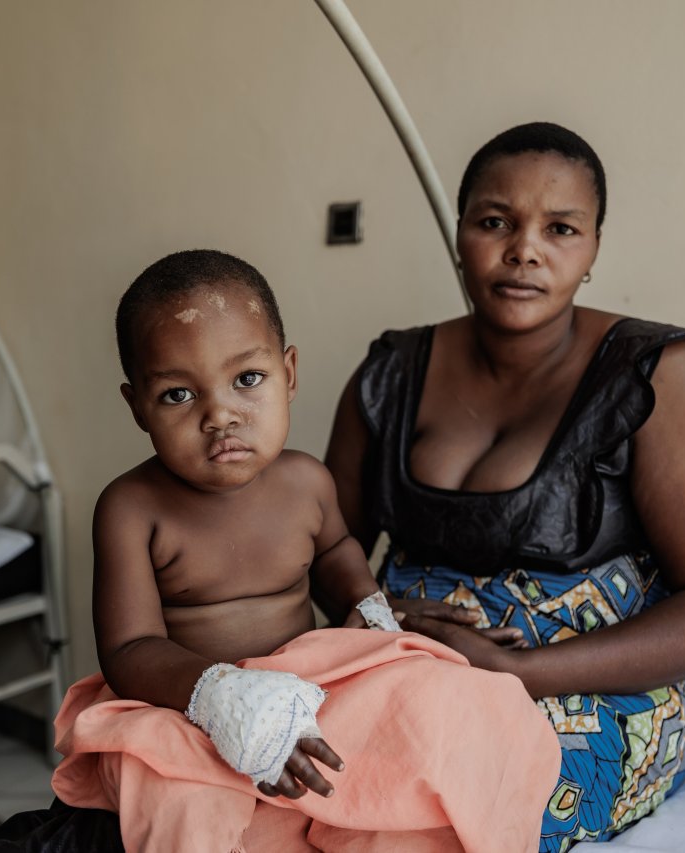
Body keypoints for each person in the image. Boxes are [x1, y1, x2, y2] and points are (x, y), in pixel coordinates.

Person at [324, 122, 685, 851]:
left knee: (419, 813)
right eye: (495, 221)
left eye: (560, 228)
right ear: (460, 232)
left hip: (592, 696)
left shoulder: (665, 377)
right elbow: (321, 543)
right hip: (409, 670)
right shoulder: (388, 374)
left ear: (593, 248)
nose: (524, 249)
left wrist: (518, 670)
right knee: (268, 771)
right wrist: (365, 606)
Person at [48, 249, 562, 852]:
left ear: (288, 374)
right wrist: (221, 697)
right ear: (137, 406)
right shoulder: (131, 508)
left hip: (307, 683)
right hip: (184, 706)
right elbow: (128, 649)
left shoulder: (305, 482)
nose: (220, 415)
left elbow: (337, 555)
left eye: (247, 380)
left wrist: (368, 608)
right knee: (178, 799)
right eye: (178, 396)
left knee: (450, 703)